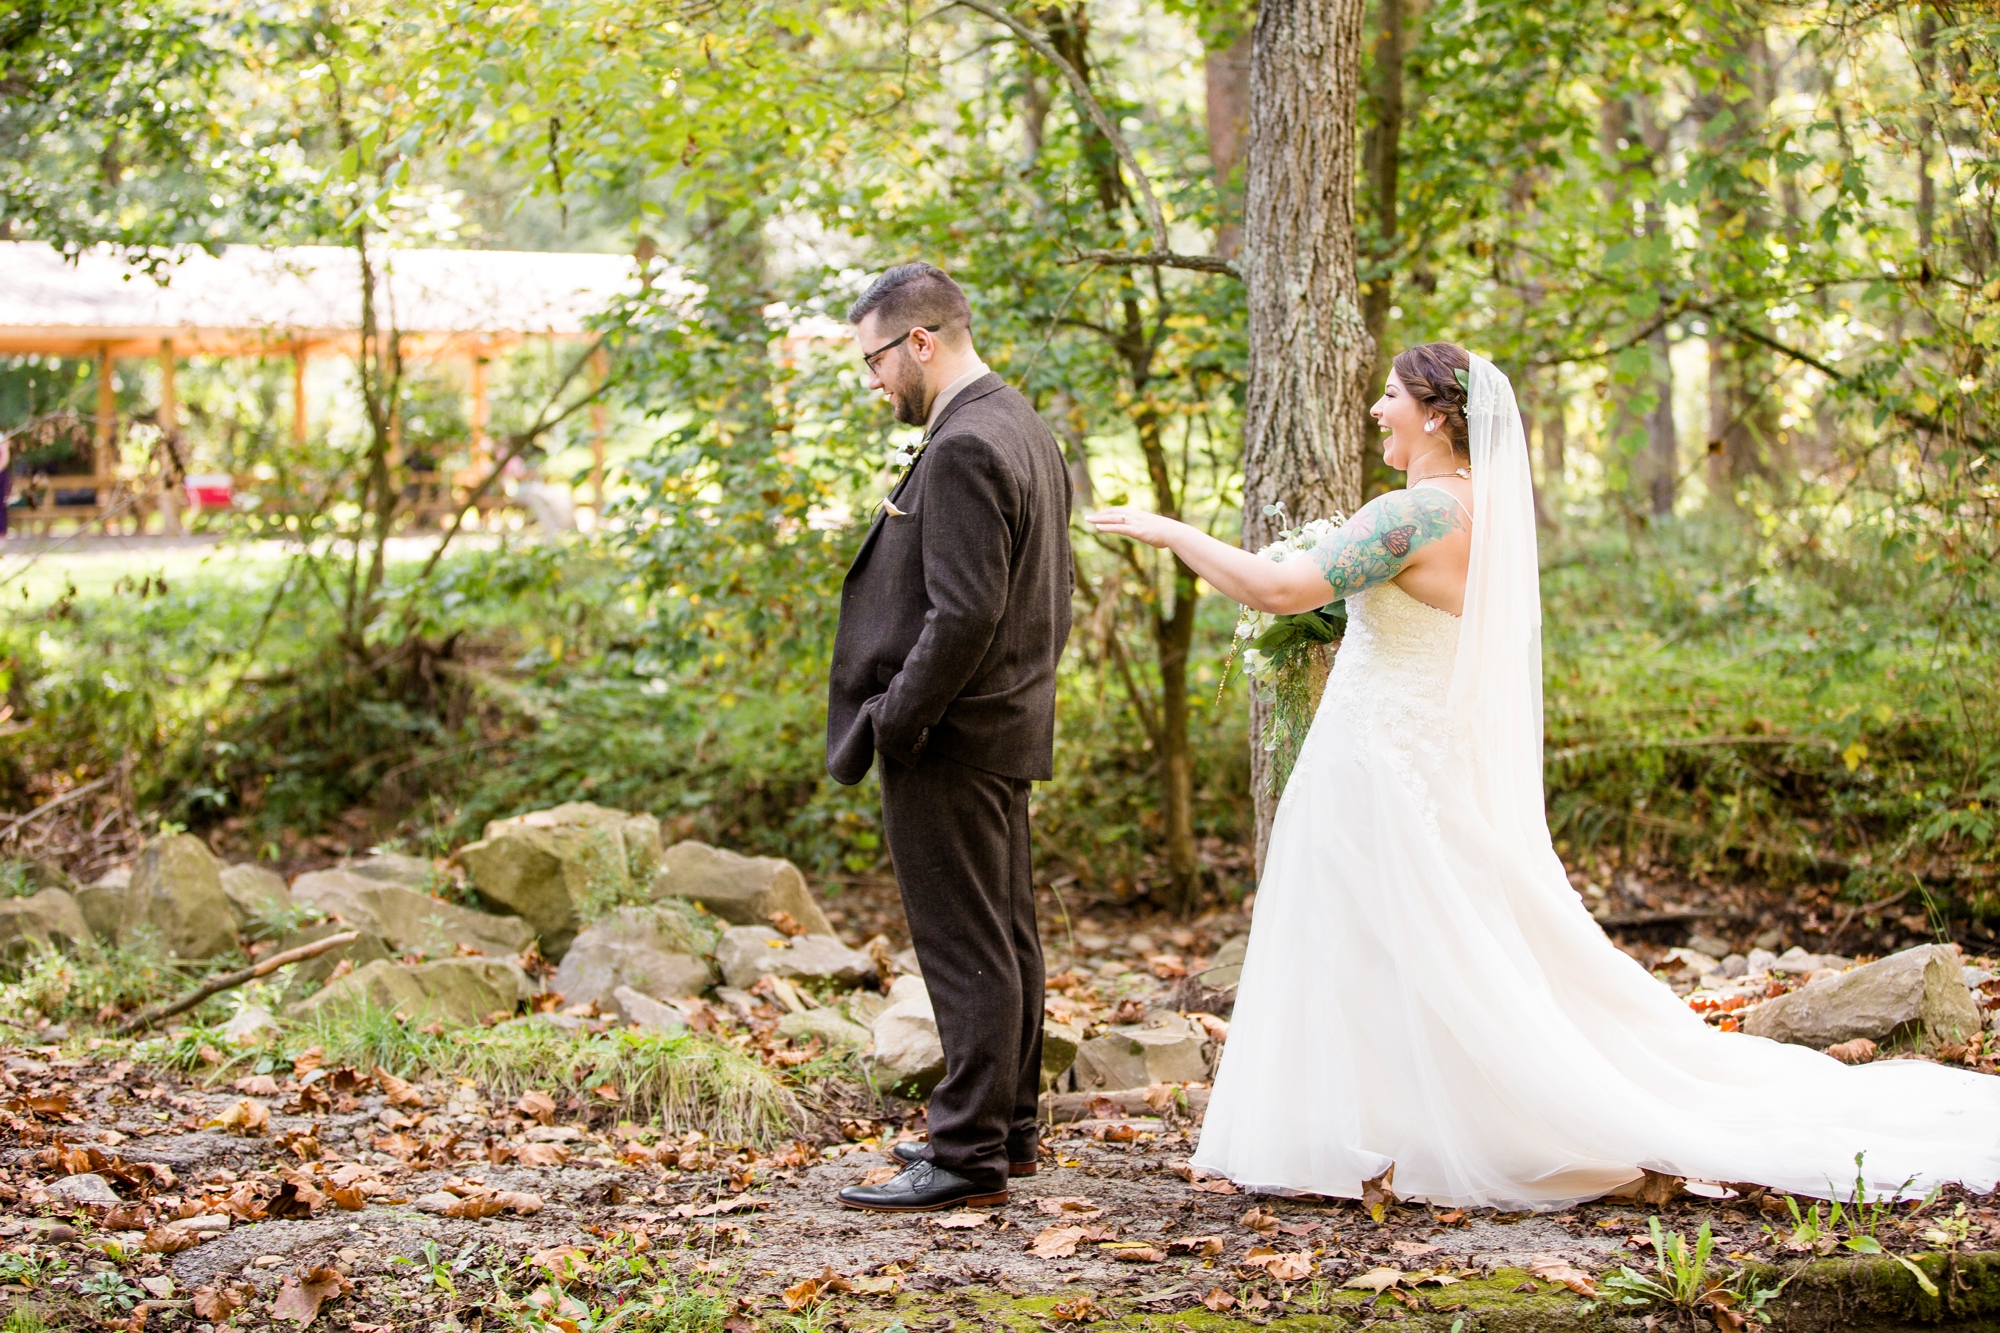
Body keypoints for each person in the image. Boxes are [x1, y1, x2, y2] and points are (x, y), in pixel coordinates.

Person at [1089, 345, 2000, 1210]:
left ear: (1439, 415)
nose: (1377, 409)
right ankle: (1393, 1126)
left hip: (1375, 765)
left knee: (1379, 940)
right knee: (1419, 945)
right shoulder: (1483, 514)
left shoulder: (1411, 514)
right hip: (1422, 760)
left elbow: (1281, 589)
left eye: (1394, 398)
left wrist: (1168, 531)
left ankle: (1379, 1132)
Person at [826, 263, 1074, 1211]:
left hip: (953, 731)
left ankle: (966, 1150)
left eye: (876, 359)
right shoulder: (1022, 425)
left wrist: (900, 718)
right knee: (1004, 933)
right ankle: (1006, 1130)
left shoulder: (968, 443)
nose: (874, 380)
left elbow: (964, 613)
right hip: (1001, 720)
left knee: (966, 943)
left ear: (921, 342)